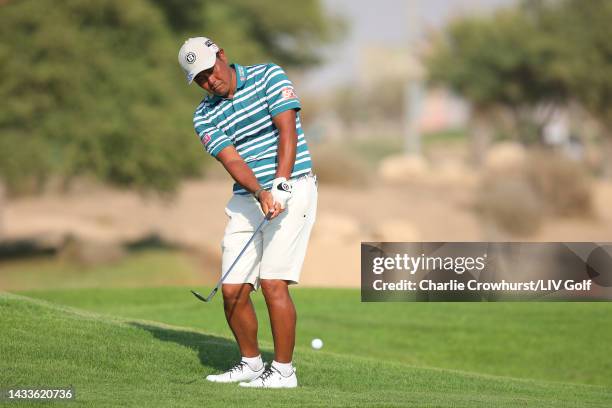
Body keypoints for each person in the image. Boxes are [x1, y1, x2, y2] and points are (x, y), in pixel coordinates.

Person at [178, 37, 317, 388]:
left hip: (294, 185)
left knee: (272, 283)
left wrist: (280, 183)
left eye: (210, 71)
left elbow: (287, 130)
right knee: (232, 290)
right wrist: (259, 192)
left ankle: (284, 371)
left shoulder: (269, 75)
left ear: (222, 56)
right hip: (248, 197)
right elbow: (232, 159)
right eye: (200, 79)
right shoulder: (203, 115)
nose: (210, 81)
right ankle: (251, 363)